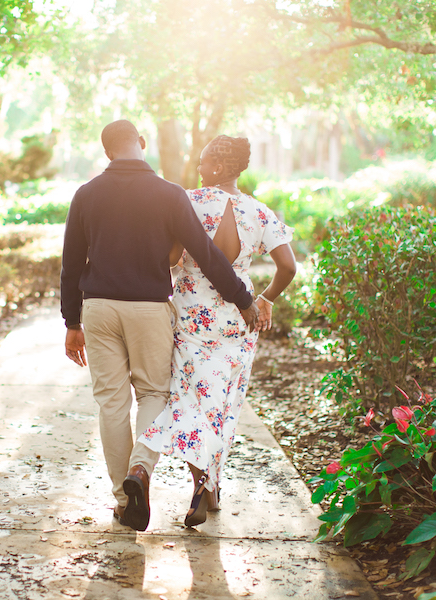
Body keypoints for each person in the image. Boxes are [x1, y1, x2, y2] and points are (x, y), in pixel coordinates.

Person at [60, 120, 260, 532]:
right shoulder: (169, 194)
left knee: (111, 403)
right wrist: (242, 297)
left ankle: (122, 500)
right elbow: (204, 253)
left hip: (98, 308)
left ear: (107, 152)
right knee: (153, 392)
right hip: (149, 308)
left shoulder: (86, 194)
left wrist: (71, 321)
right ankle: (141, 469)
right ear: (143, 144)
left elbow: (71, 262)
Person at [138, 134, 296, 527]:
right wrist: (265, 299)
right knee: (222, 408)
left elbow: (172, 258)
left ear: (222, 167)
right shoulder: (259, 212)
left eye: (205, 161)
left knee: (192, 403)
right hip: (238, 323)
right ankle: (211, 487)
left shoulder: (188, 203)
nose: (199, 167)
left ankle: (202, 486)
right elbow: (288, 267)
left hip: (191, 321)